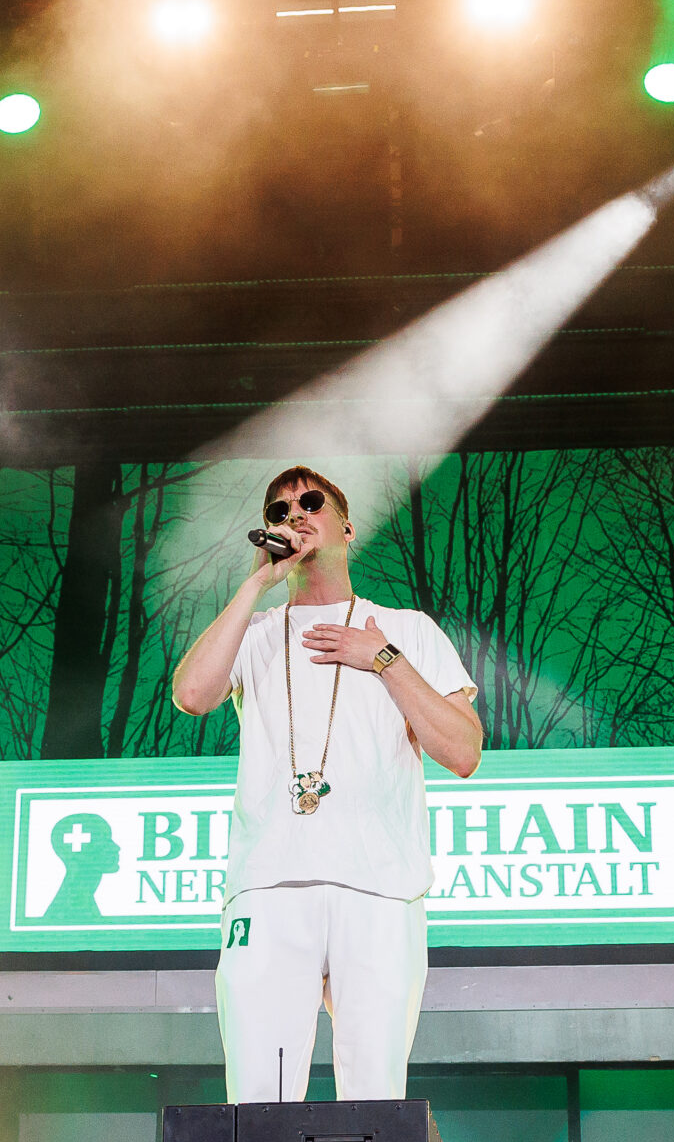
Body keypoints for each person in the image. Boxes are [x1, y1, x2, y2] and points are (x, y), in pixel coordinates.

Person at [170, 468, 481, 1103]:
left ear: (347, 526)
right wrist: (260, 580)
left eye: (312, 503)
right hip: (268, 886)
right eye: (279, 509)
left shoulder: (407, 628)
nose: (296, 515)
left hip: (379, 887)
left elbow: (463, 750)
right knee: (258, 1103)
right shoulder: (255, 634)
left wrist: (384, 660)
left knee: (374, 1106)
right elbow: (191, 694)